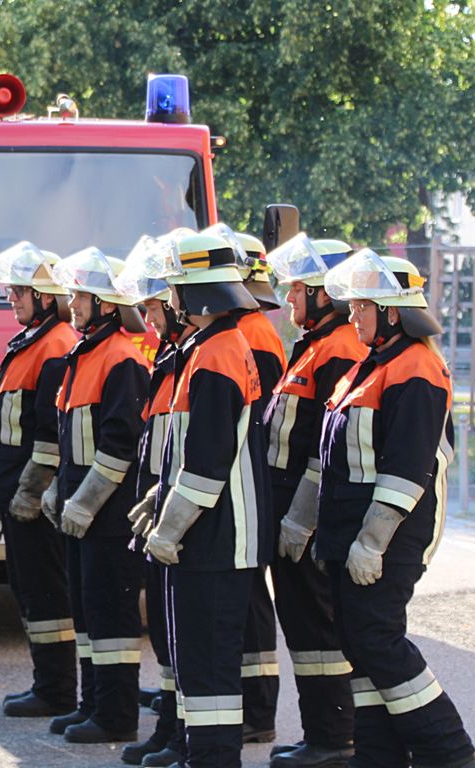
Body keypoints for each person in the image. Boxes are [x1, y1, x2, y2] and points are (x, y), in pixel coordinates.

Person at [316, 250, 475, 768]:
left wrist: (371, 542)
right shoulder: (372, 365)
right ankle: (379, 756)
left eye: (362, 307)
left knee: (377, 638)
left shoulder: (416, 367)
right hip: (355, 532)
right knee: (360, 643)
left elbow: (408, 466)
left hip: (392, 534)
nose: (352, 316)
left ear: (392, 312)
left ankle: (450, 754)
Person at [142, 228, 271, 768]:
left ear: (194, 292)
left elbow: (208, 464)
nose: (168, 301)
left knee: (211, 666)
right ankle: (203, 756)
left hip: (219, 538)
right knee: (198, 663)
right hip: (212, 536)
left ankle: (213, 759)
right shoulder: (208, 347)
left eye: (174, 289)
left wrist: (169, 527)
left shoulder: (217, 353)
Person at [263, 234, 366, 768]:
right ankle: (322, 734)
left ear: (326, 293)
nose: (289, 299)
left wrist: (300, 521)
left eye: (298, 289)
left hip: (308, 517)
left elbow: (325, 452)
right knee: (304, 628)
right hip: (292, 513)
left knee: (318, 629)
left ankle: (333, 739)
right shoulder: (314, 345)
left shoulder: (340, 347)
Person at [46, 247, 151, 744]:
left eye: (81, 295)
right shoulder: (85, 354)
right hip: (82, 514)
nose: (73, 302)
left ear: (107, 304)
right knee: (88, 616)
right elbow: (72, 444)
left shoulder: (122, 360)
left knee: (111, 617)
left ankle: (115, 716)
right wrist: (56, 490)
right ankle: (93, 705)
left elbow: (119, 448)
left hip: (108, 520)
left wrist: (83, 502)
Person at [0, 242, 80, 718]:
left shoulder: (56, 346)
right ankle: (49, 684)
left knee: (46, 593)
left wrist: (30, 493)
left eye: (20, 291)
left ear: (46, 296)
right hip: (18, 497)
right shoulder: (33, 341)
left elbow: (49, 434)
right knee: (30, 590)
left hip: (34, 502)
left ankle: (57, 690)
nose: (11, 299)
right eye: (11, 290)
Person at [114, 234, 194, 767]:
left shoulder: (201, 356)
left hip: (191, 527)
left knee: (187, 644)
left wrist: (170, 518)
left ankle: (184, 737)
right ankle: (170, 728)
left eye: (150, 304)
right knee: (167, 642)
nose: (144, 315)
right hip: (165, 512)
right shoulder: (172, 355)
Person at [224, 226, 288, 746]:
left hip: (249, 485)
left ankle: (258, 709)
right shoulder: (248, 328)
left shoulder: (251, 333)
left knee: (248, 600)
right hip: (247, 483)